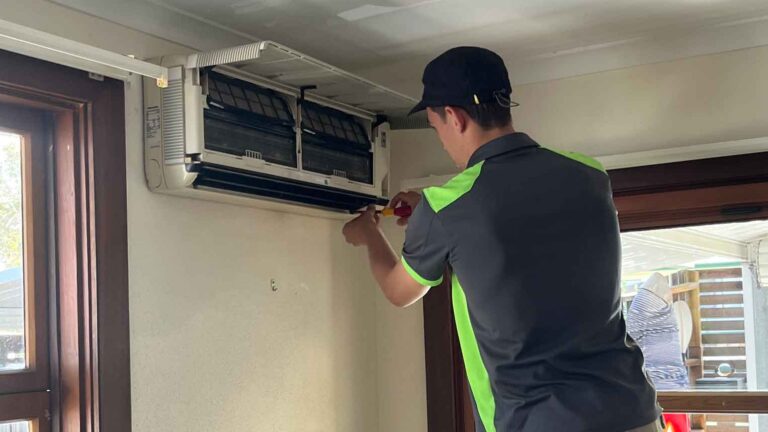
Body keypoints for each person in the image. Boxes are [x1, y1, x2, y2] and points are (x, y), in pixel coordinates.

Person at [342, 46, 662, 432]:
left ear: (455, 118)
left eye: (435, 125)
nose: (441, 138)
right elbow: (523, 224)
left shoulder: (448, 207)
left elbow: (400, 290)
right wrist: (431, 215)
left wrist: (368, 235)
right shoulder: (589, 174)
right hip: (633, 412)